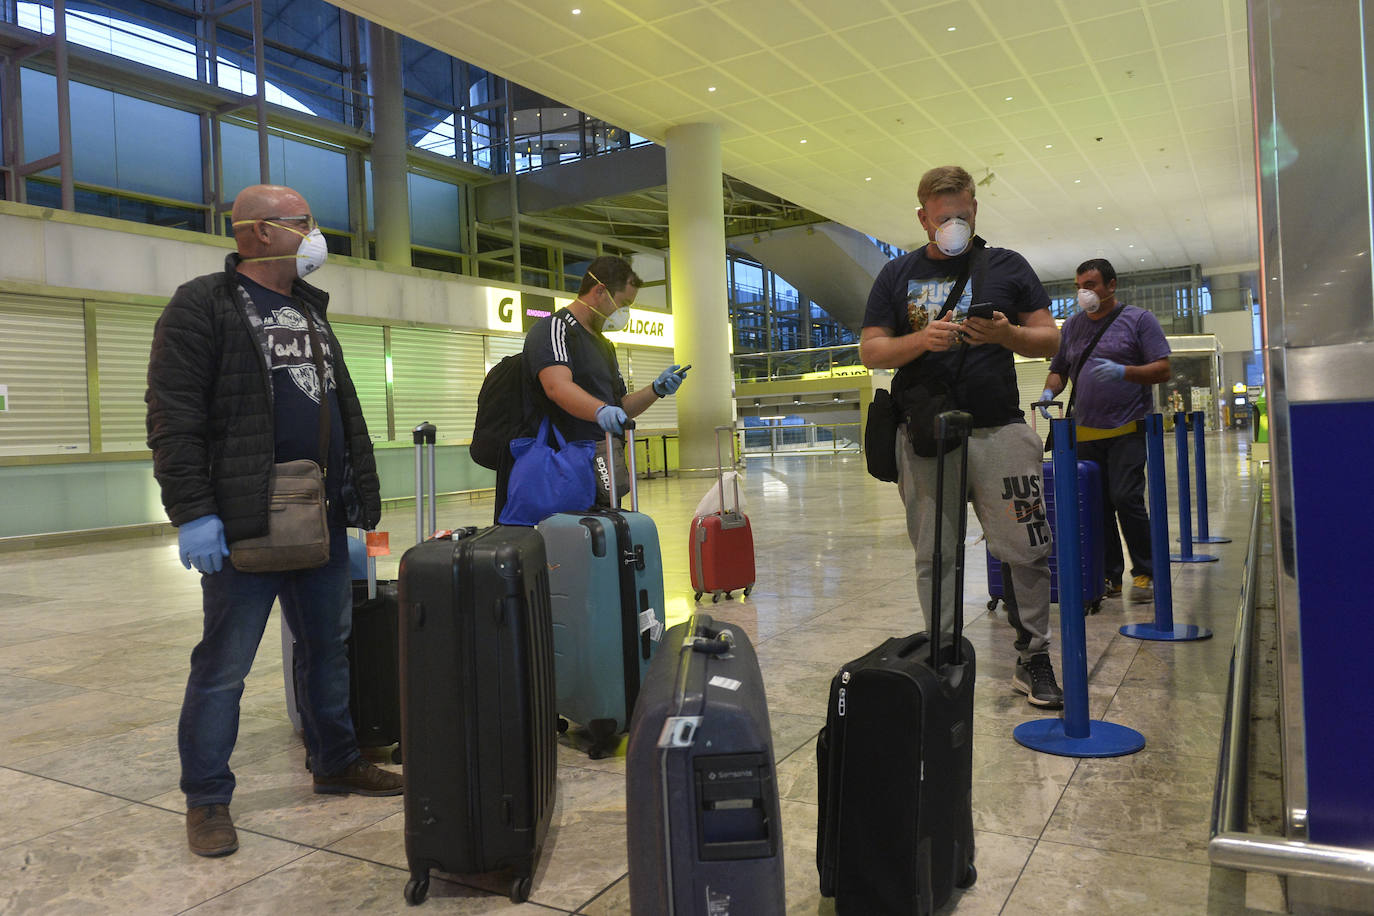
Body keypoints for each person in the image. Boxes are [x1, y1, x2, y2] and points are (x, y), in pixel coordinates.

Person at [146, 184, 402, 859]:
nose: (314, 234)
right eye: (302, 223)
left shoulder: (310, 310)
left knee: (329, 649)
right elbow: (174, 419)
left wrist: (357, 511)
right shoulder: (203, 305)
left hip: (318, 515)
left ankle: (336, 761)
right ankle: (206, 799)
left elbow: (342, 415)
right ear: (258, 233)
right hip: (243, 520)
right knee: (224, 666)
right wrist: (195, 514)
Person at [860, 165, 1064, 708]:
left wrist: (1008, 334)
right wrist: (923, 340)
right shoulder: (896, 274)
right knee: (935, 552)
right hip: (927, 434)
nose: (953, 223)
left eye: (963, 213)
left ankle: (1034, 656)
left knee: (1025, 549)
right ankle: (943, 652)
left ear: (975, 209)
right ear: (923, 216)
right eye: (942, 215)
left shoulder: (1007, 265)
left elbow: (1049, 341)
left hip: (1000, 426)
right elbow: (872, 350)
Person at [1039, 258, 1171, 604]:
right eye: (1079, 286)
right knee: (1095, 506)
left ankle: (1146, 570)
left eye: (1091, 285)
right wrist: (1048, 392)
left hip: (1127, 427)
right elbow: (1060, 369)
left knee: (1126, 498)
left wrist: (1124, 372)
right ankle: (1109, 574)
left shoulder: (1139, 320)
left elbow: (1162, 369)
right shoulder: (1072, 326)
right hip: (1085, 433)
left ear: (1111, 285)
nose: (1084, 292)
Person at [514, 255, 687, 510]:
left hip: (602, 461)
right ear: (600, 291)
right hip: (564, 467)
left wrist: (655, 390)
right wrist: (599, 411)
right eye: (624, 303)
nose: (625, 313)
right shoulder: (555, 329)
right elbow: (557, 387)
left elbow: (620, 407)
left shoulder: (605, 345)